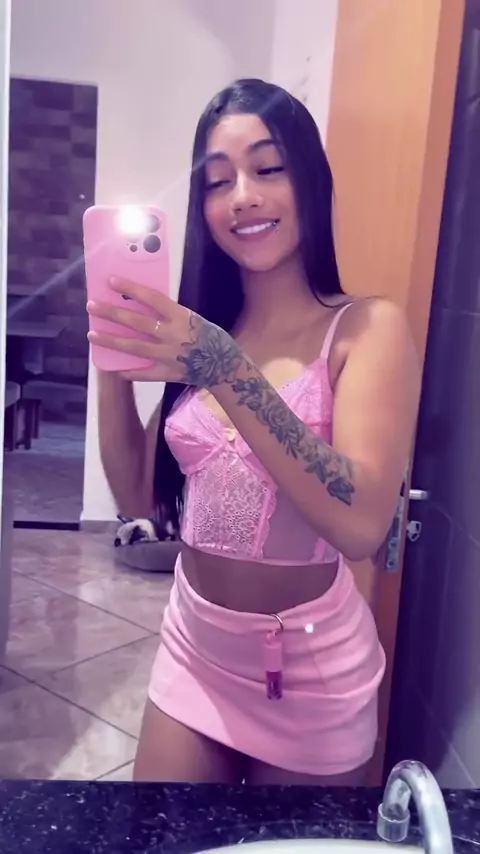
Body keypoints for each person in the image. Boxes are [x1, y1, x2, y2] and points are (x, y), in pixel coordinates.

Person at [89, 78, 420, 785]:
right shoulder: (206, 329)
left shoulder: (364, 329)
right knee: (160, 835)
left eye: (268, 168)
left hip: (311, 675)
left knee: (289, 839)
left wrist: (224, 367)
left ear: (310, 182)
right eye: (218, 181)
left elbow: (362, 525)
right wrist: (112, 358)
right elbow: (138, 498)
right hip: (194, 650)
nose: (242, 196)